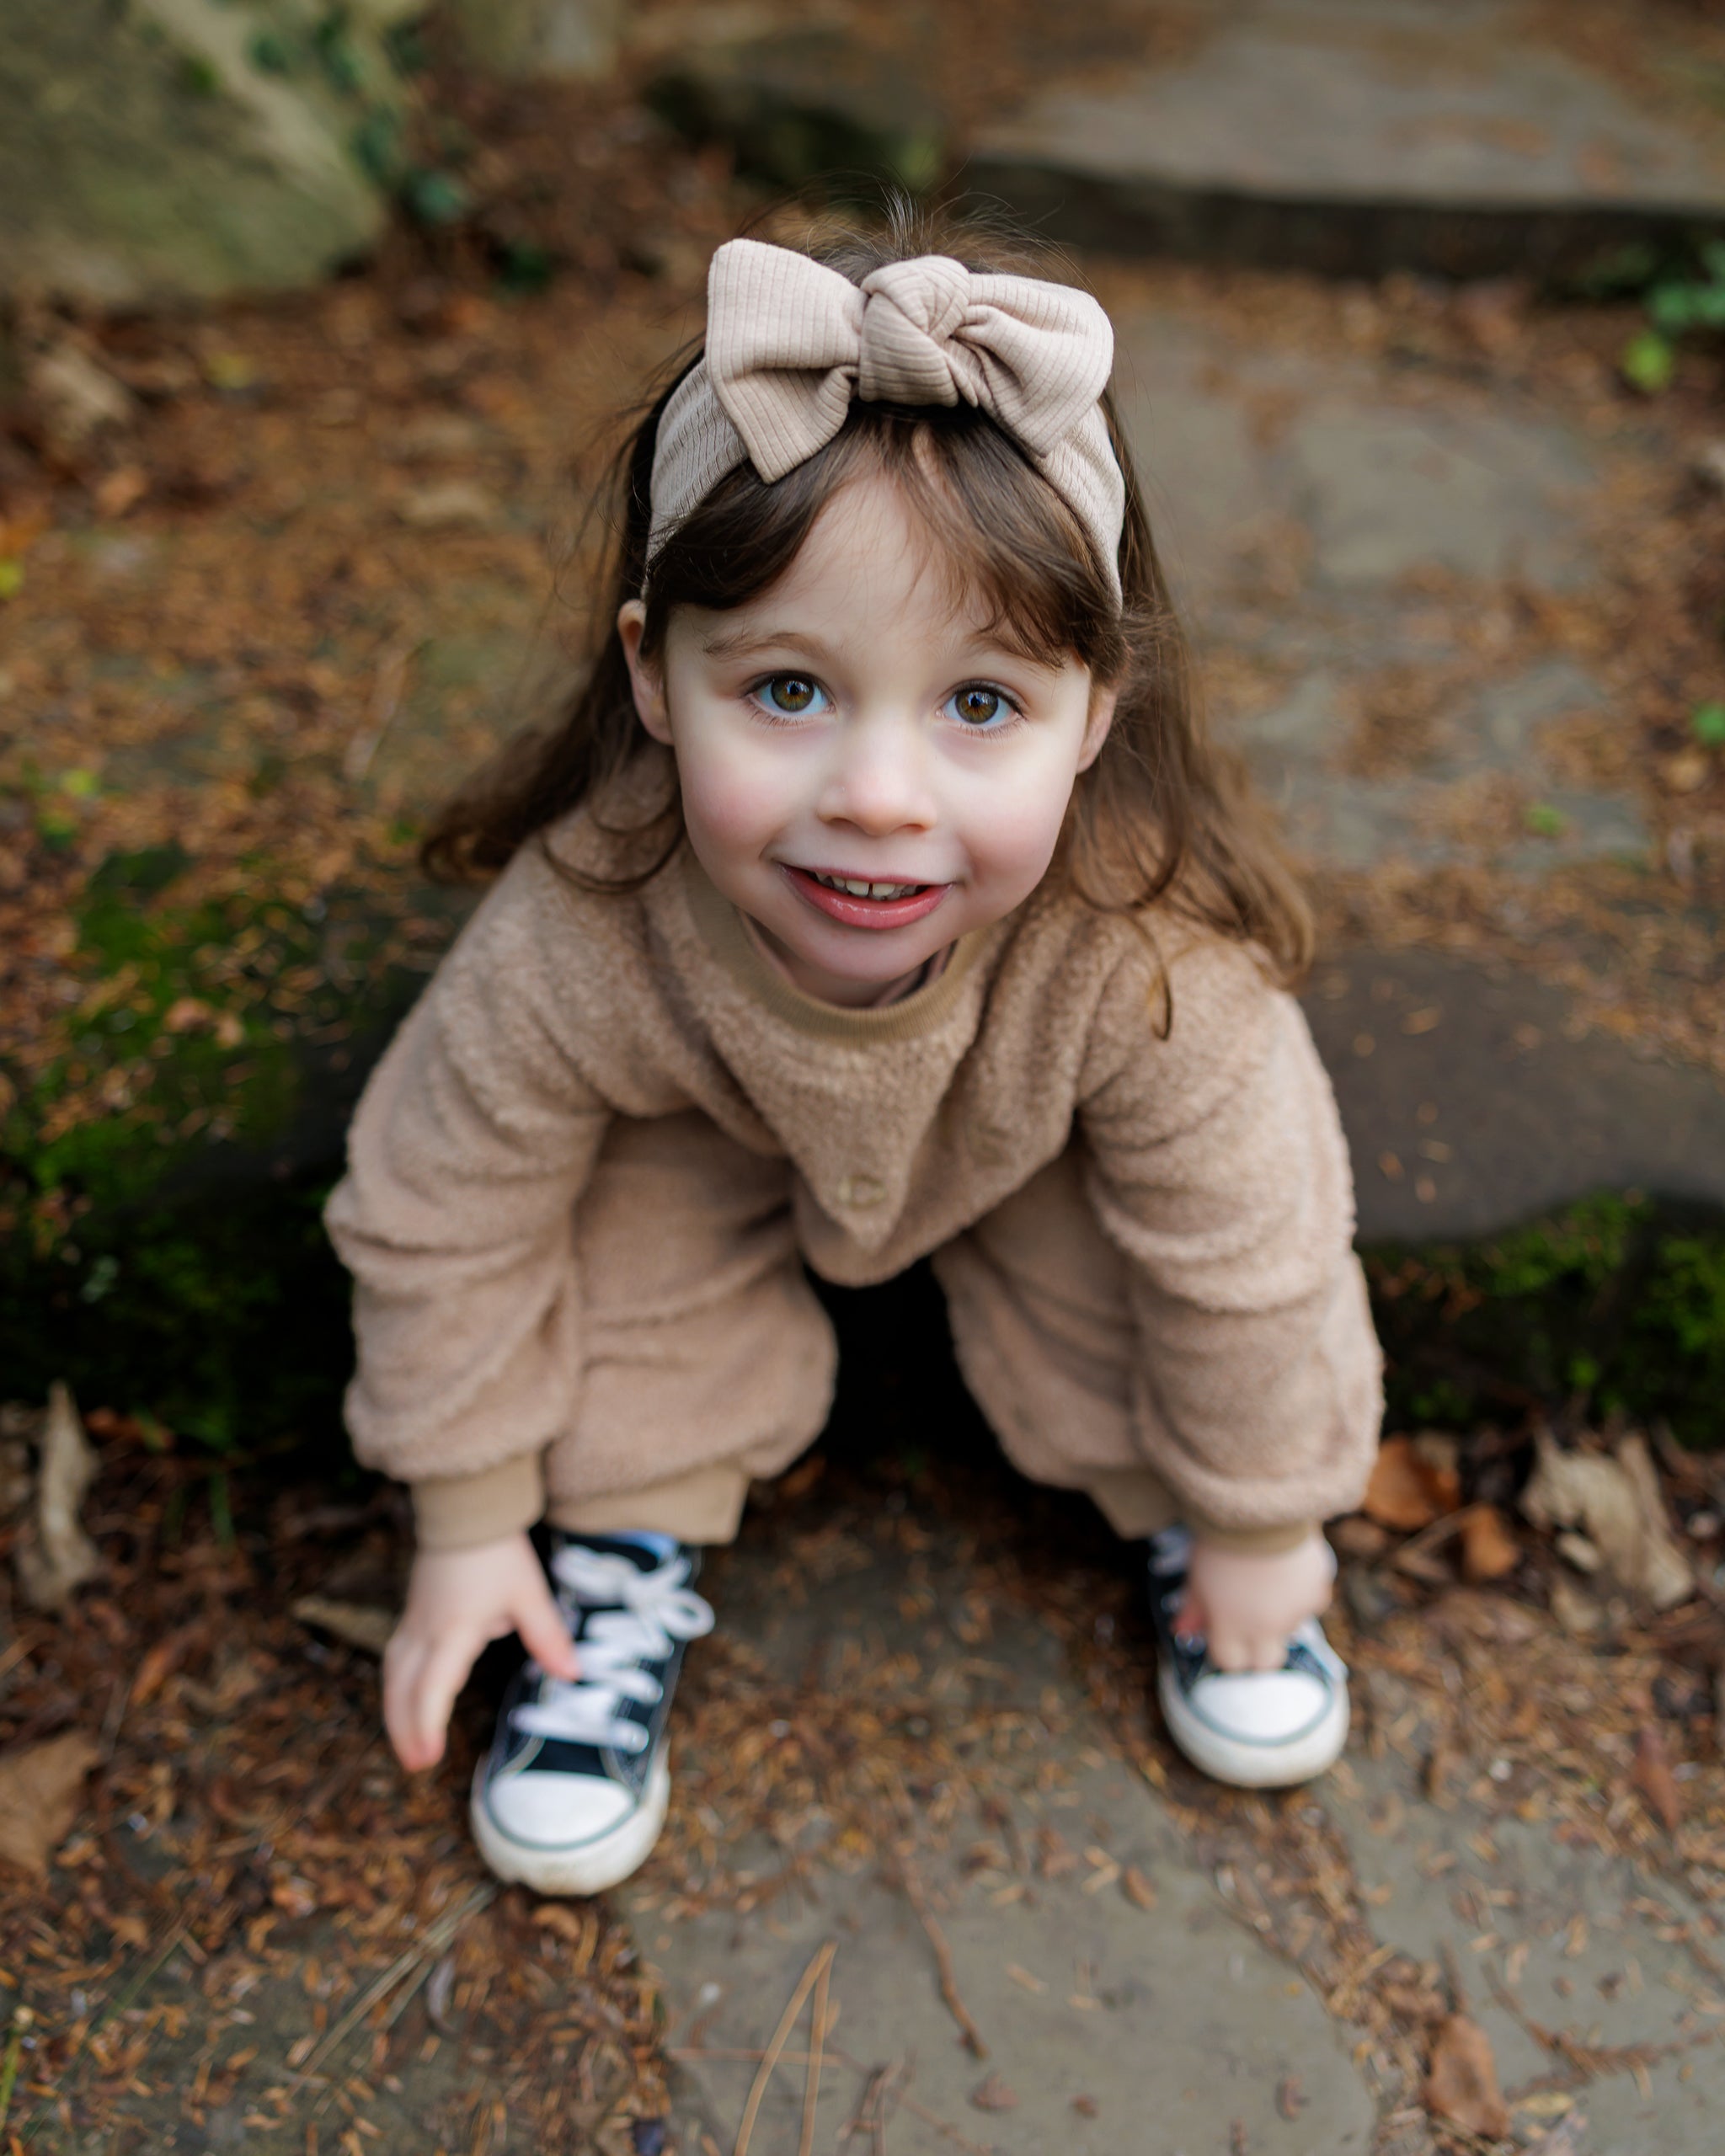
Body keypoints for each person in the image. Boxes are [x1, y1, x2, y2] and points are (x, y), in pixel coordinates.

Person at [325, 208, 1384, 1897]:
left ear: (1092, 716)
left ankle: (1190, 1526)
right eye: (790, 689)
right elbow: (441, 1200)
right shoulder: (589, 919)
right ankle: (612, 1548)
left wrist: (1267, 1516)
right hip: (709, 1134)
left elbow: (1253, 1252)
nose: (878, 795)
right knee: (619, 1230)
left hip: (1022, 1147)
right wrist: (465, 1517)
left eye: (980, 705)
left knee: (1139, 1274)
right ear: (656, 676)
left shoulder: (1143, 949)